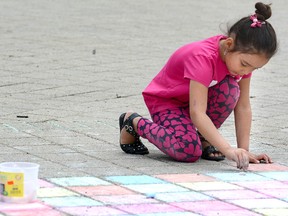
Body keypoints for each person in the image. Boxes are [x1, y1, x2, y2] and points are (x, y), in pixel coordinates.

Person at [119, 2, 277, 171]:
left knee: (230, 90)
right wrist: (228, 150)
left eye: (254, 68)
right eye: (245, 64)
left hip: (193, 101)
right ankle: (133, 122)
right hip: (167, 103)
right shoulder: (202, 58)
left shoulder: (240, 59)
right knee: (187, 150)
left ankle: (204, 137)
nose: (247, 71)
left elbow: (243, 106)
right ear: (229, 44)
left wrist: (244, 151)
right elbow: (197, 113)